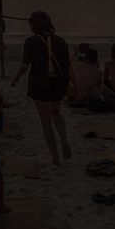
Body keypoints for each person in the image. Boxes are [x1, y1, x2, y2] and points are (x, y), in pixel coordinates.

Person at [8, 11, 73, 165]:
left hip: (39, 83)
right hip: (58, 82)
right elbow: (68, 67)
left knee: (45, 122)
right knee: (56, 112)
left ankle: (55, 158)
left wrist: (16, 78)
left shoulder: (31, 42)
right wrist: (73, 85)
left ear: (35, 24)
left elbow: (25, 65)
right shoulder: (61, 41)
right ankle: (64, 140)